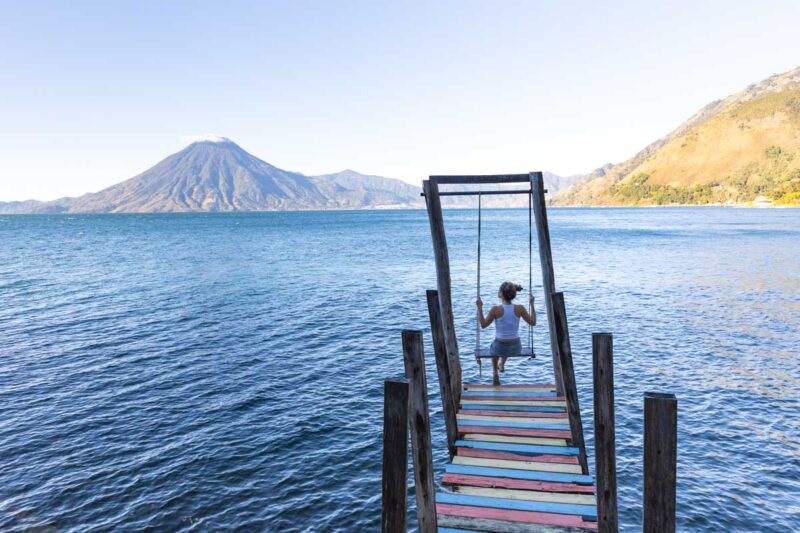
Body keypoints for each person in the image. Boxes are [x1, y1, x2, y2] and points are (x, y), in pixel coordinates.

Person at [476, 281, 536, 379]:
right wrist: (532, 305)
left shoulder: (495, 310)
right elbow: (533, 322)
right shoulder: (520, 308)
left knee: (494, 348)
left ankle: (495, 373)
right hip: (516, 348)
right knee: (507, 342)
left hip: (500, 348)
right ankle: (502, 364)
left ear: (501, 294)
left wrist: (479, 308)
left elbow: (483, 325)